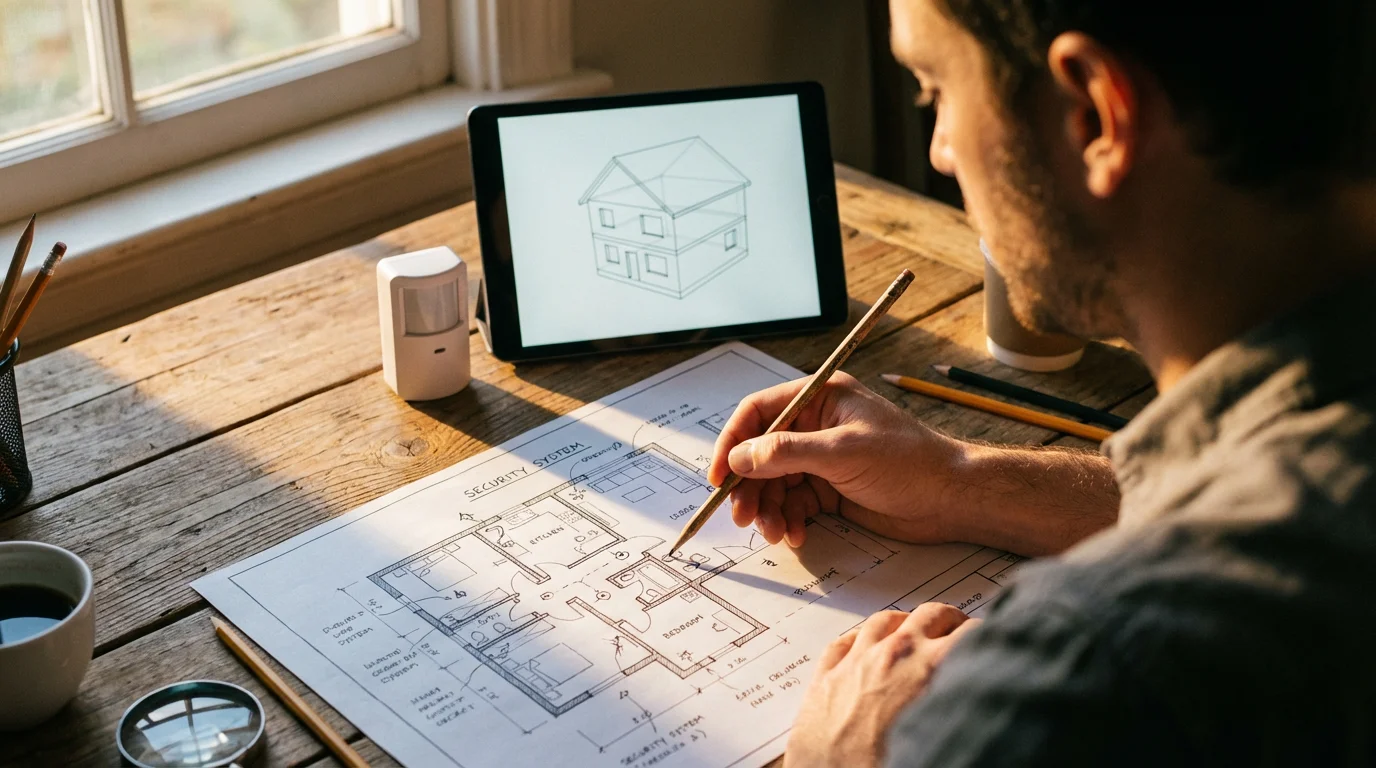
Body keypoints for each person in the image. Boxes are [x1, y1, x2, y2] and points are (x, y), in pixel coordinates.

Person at [706, 0, 1376, 765]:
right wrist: (960, 478)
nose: (939, 152)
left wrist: (838, 758)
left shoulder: (1078, 683)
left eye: (937, 91)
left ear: (1092, 116)